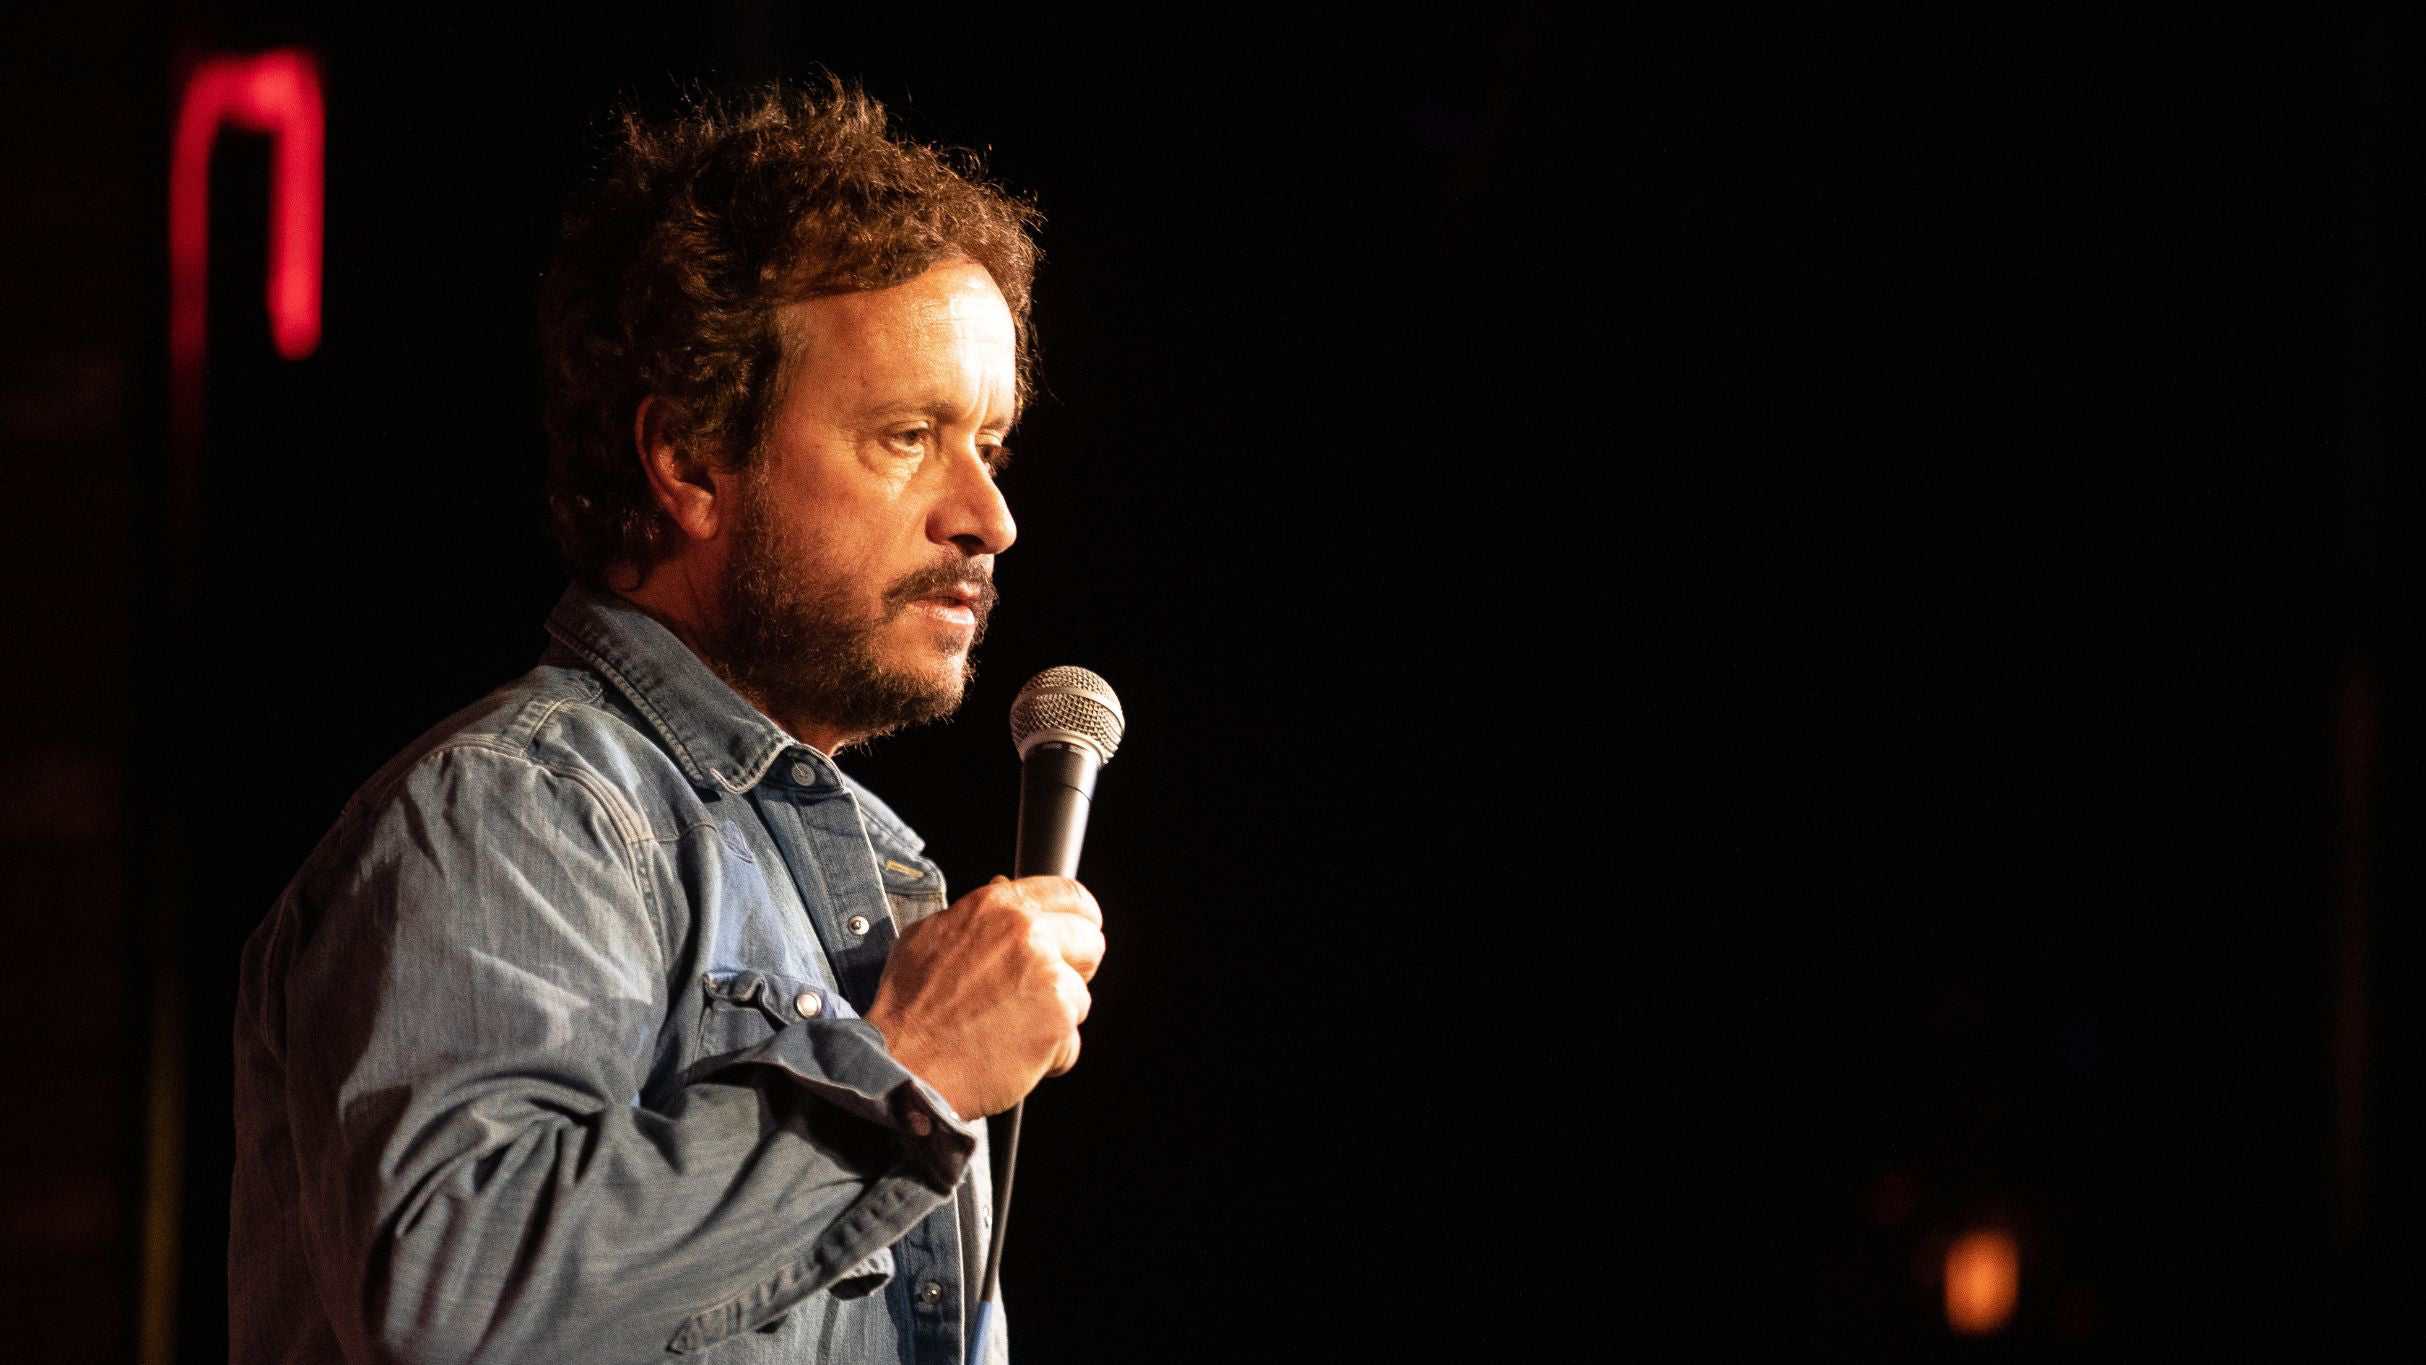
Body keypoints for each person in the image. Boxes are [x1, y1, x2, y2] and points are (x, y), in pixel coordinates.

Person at [228, 82, 1104, 1365]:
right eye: (908, 437)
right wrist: (906, 1070)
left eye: (991, 445)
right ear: (690, 462)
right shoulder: (518, 814)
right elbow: (454, 1304)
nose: (988, 517)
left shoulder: (862, 882)